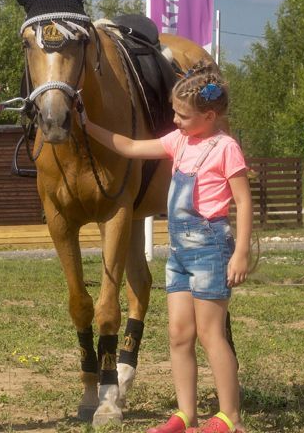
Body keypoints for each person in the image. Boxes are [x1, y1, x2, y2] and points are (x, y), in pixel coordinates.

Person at [81, 61, 253, 433]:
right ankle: (186, 414)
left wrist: (240, 252)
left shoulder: (226, 148)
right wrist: (87, 126)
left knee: (211, 334)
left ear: (209, 116)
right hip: (178, 254)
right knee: (179, 334)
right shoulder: (178, 142)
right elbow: (128, 146)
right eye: (175, 113)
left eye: (182, 116)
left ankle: (230, 417)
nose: (174, 121)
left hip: (210, 250)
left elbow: (244, 201)